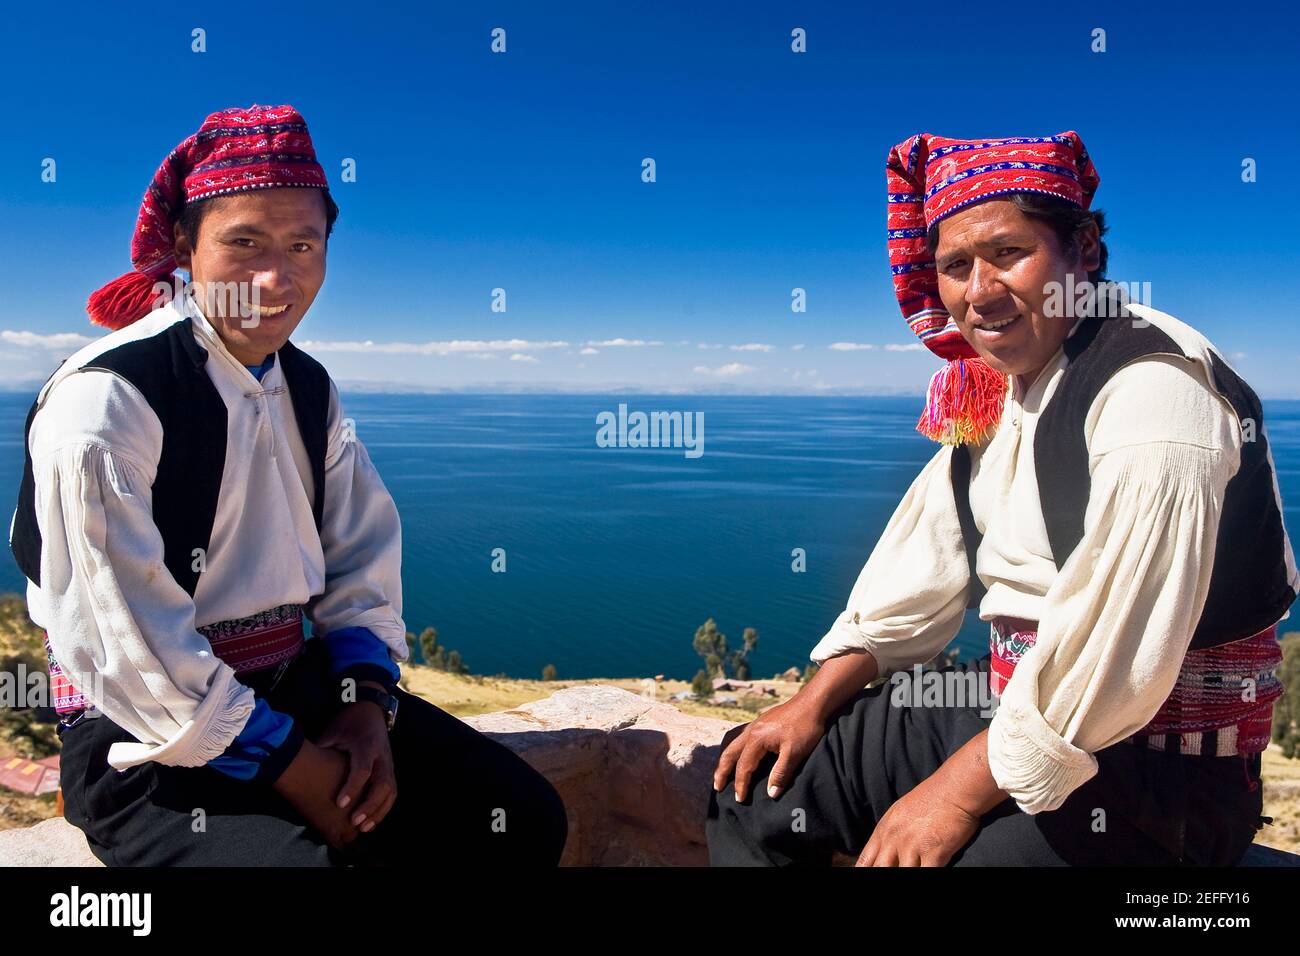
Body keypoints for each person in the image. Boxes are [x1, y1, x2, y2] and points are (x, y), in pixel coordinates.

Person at [707, 131, 1298, 866]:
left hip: (1161, 771)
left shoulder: (1153, 391)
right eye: (955, 266)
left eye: (1008, 254)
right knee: (755, 782)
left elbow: (1111, 659)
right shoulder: (1002, 397)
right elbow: (915, 578)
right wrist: (810, 701)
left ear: (1083, 249)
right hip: (1014, 710)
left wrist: (951, 797)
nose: (978, 291)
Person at [11, 104, 567, 866]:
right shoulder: (108, 400)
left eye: (303, 244)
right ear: (183, 244)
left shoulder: (305, 386)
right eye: (245, 242)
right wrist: (295, 769)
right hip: (148, 740)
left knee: (519, 814)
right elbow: (120, 641)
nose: (277, 277)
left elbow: (358, 554)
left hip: (296, 690)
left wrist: (366, 704)